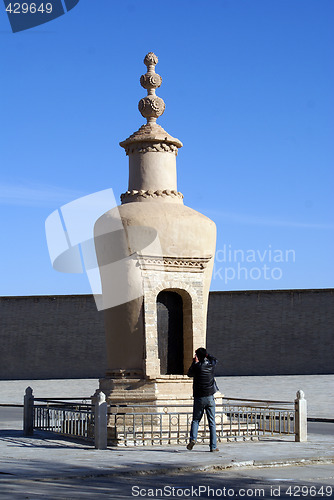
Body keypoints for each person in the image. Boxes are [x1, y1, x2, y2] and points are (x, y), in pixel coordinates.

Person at [186, 347, 219, 452]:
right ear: (205, 356)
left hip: (199, 397)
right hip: (210, 397)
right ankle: (213, 446)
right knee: (212, 422)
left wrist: (193, 363)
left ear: (197, 356)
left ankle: (193, 438)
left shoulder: (196, 367)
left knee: (196, 420)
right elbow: (215, 360)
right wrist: (207, 355)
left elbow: (189, 374)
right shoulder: (210, 365)